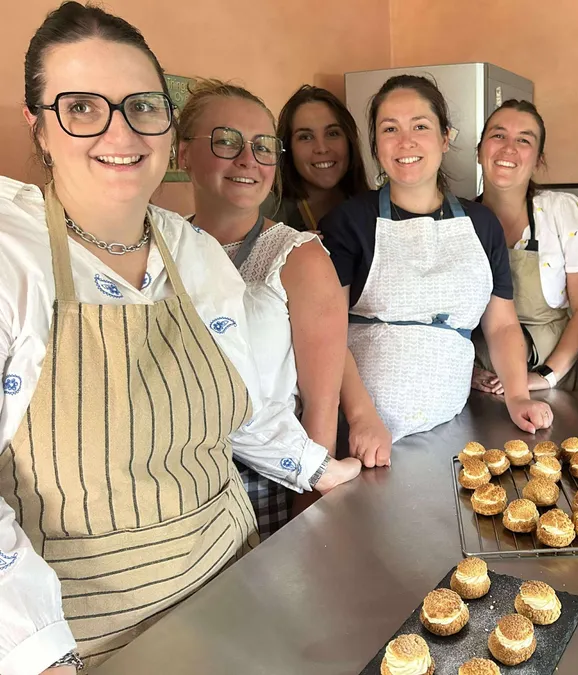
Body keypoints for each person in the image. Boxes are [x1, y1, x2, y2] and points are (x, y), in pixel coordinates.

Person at [0, 4, 354, 672]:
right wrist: (37, 652)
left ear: (167, 123)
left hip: (238, 587)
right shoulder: (10, 250)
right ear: (38, 126)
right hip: (98, 636)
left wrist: (319, 469)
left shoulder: (193, 253)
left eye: (141, 106)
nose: (120, 131)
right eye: (81, 107)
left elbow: (243, 405)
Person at [321, 75, 553, 454]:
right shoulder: (348, 222)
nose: (405, 141)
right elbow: (327, 333)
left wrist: (517, 396)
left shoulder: (482, 225)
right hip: (363, 432)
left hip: (449, 429)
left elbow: (502, 324)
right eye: (390, 128)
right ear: (376, 144)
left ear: (445, 137)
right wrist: (361, 417)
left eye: (420, 127)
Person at [178, 79, 361, 539]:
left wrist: (307, 518)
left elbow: (322, 405)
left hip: (269, 487)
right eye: (225, 141)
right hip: (175, 481)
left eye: (263, 146)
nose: (248, 159)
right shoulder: (164, 245)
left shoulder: (300, 257)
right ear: (183, 155)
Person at [471, 99, 578, 394]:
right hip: (478, 384)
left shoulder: (562, 210)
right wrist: (468, 374)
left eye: (524, 140)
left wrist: (546, 376)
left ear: (539, 159)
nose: (509, 148)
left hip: (550, 382)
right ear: (480, 151)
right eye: (498, 135)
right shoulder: (459, 218)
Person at [268, 84, 369, 232]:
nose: (322, 148)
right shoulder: (268, 216)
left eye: (332, 133)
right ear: (288, 148)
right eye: (305, 137)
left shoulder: (375, 209)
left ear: (349, 140)